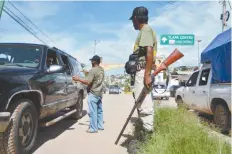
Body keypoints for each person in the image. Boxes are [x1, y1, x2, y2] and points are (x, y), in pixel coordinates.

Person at [129, 6, 157, 134]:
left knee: (145, 107)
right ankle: (143, 135)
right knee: (141, 105)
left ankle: (147, 140)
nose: (132, 23)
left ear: (136, 18)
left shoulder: (145, 29)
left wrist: (146, 75)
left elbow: (149, 51)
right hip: (141, 72)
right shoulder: (145, 31)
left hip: (142, 72)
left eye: (132, 20)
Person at [72, 55, 105, 133]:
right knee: (99, 110)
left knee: (92, 111)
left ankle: (93, 128)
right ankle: (100, 126)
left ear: (93, 61)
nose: (90, 62)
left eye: (91, 61)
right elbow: (96, 79)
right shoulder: (101, 69)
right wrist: (88, 73)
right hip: (100, 93)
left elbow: (88, 82)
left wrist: (78, 79)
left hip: (93, 93)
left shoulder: (93, 70)